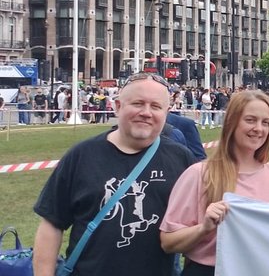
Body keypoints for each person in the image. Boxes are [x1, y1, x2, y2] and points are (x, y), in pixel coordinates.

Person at [32, 73, 195, 276]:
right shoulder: (81, 156)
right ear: (117, 106)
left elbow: (195, 232)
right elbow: (51, 225)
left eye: (155, 106)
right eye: (137, 103)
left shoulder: (182, 160)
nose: (146, 112)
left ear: (166, 112)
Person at [160, 91, 269, 276]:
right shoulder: (199, 174)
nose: (259, 128)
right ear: (232, 122)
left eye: (265, 122)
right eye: (250, 120)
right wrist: (204, 228)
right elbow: (168, 242)